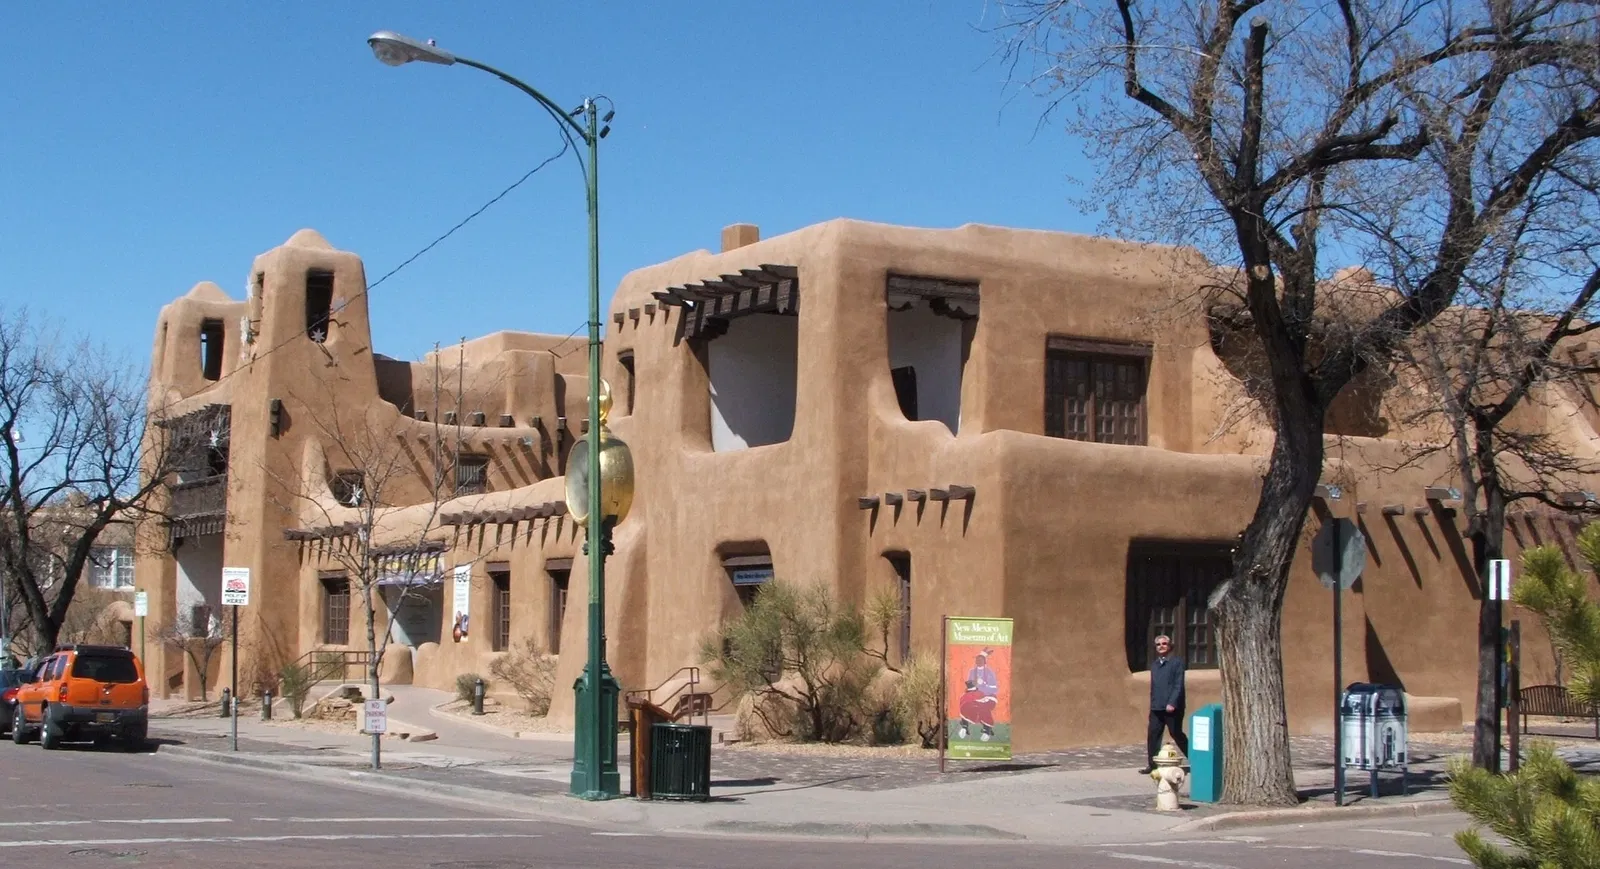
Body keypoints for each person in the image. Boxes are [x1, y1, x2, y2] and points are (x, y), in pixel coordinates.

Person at [1143, 634, 1189, 774]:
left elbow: (1178, 685)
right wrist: (1153, 703)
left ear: (1169, 646)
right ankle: (1152, 765)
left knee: (1176, 733)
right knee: (1153, 735)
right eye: (1158, 644)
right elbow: (1154, 687)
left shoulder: (1176, 662)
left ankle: (1196, 759)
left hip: (1172, 707)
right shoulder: (1155, 665)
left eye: (1164, 644)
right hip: (1157, 707)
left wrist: (1172, 702)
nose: (1161, 646)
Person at [957, 649, 1000, 741]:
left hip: (987, 696)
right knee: (965, 702)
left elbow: (994, 688)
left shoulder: (989, 673)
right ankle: (964, 726)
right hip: (974, 695)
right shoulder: (972, 672)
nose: (978, 662)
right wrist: (972, 688)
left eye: (980, 660)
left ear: (985, 661)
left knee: (983, 707)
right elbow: (969, 686)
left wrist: (983, 686)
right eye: (977, 660)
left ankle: (987, 730)